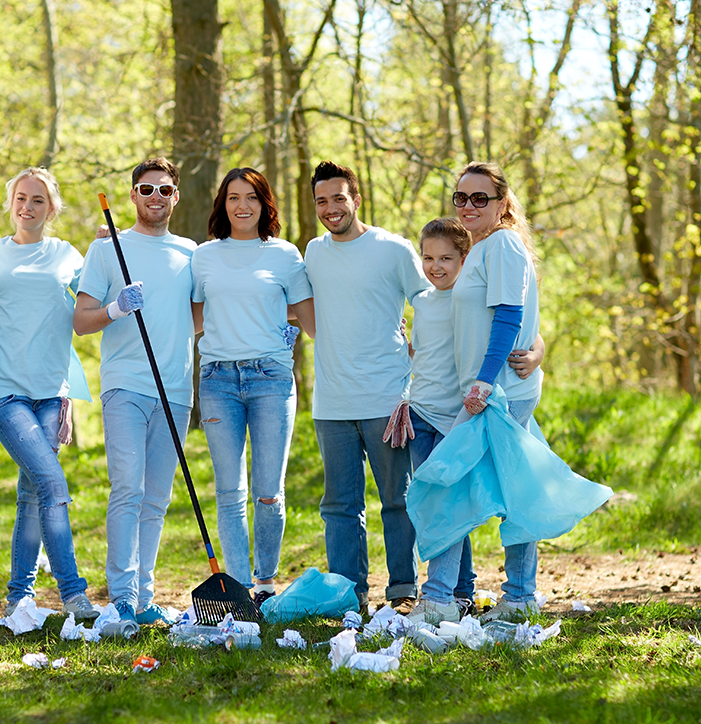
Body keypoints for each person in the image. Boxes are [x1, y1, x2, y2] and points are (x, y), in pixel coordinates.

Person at [0, 167, 100, 620]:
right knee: (51, 485)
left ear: (52, 208)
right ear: (10, 204)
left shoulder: (67, 255)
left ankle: (19, 596)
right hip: (5, 393)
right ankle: (73, 593)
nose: (27, 207)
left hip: (51, 393)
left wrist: (105, 248)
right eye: (21, 198)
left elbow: (95, 298)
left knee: (31, 493)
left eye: (38, 200)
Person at [73, 157, 199, 626]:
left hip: (176, 389)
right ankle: (122, 595)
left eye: (164, 190)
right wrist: (116, 308)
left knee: (157, 498)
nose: (155, 198)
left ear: (176, 197)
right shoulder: (107, 249)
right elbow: (81, 321)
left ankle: (145, 599)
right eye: (146, 190)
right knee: (127, 488)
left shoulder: (191, 252)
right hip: (126, 385)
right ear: (132, 195)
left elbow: (201, 315)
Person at [401, 216, 543, 624]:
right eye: (428, 257)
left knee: (495, 496)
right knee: (452, 497)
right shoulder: (442, 289)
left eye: (446, 257)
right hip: (450, 403)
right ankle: (458, 594)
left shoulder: (500, 249)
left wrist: (536, 352)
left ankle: (497, 594)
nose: (437, 265)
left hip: (484, 400)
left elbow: (514, 318)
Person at [303, 160, 430, 614]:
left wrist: (422, 357)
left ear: (356, 199)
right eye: (322, 201)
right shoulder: (313, 253)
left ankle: (402, 590)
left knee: (397, 499)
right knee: (339, 506)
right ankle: (347, 594)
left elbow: (430, 301)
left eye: (339, 198)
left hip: (385, 399)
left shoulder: (393, 249)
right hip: (331, 403)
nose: (331, 208)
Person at [190, 168, 315, 608]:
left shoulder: (283, 255)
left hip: (271, 379)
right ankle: (238, 588)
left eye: (251, 198)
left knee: (268, 491)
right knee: (229, 491)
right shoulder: (204, 256)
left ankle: (264, 581)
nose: (242, 206)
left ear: (265, 204)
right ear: (222, 204)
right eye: (233, 197)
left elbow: (311, 317)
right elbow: (189, 318)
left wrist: (384, 330)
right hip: (218, 379)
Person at [447, 160, 545, 622]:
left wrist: (485, 383)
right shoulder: (485, 248)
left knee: (504, 491)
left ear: (503, 204)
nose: (469, 206)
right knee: (504, 488)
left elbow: (509, 316)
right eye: (461, 197)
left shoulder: (502, 243)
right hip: (493, 388)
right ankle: (501, 594)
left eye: (480, 198)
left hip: (499, 392)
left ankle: (518, 596)